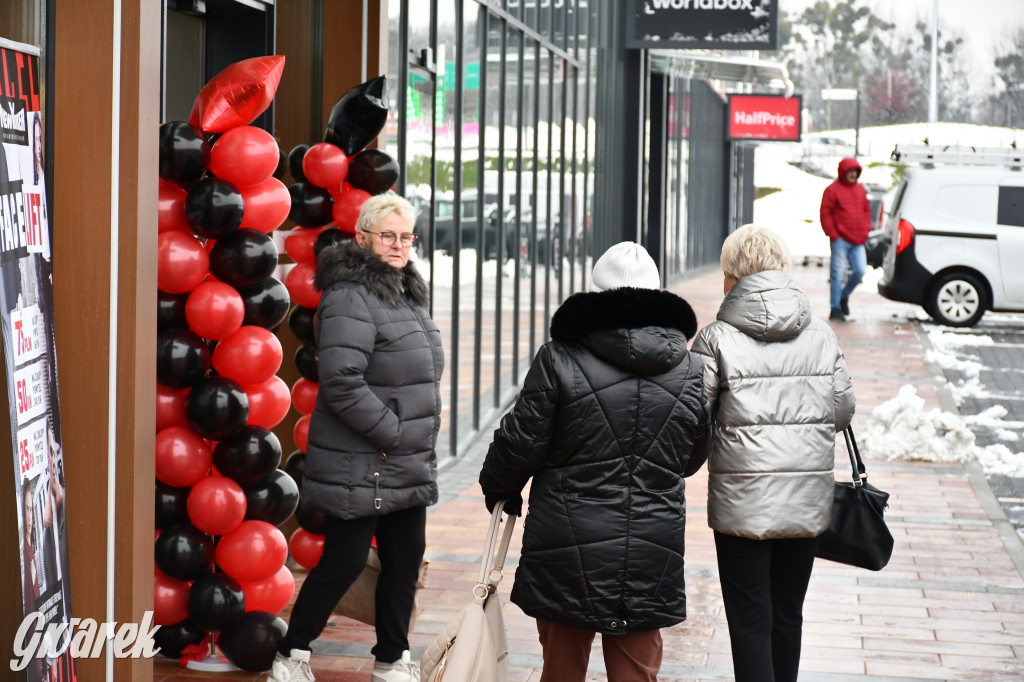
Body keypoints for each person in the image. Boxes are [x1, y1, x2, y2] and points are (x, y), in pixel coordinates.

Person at [479, 241, 710, 682]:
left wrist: (500, 488)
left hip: (566, 539)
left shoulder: (559, 358)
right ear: (658, 295)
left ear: (594, 293)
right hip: (650, 542)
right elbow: (690, 458)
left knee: (562, 668)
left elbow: (521, 441)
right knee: (637, 672)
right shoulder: (691, 368)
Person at [271, 194, 444, 682]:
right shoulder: (350, 293)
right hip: (365, 457)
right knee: (344, 562)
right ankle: (292, 653)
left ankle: (392, 660)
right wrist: (393, 431)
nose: (398, 245)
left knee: (403, 562)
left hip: (404, 455)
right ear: (362, 238)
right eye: (387, 234)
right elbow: (343, 382)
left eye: (406, 236)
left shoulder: (405, 291)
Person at [690, 224, 856, 682]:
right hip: (805, 501)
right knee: (787, 616)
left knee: (749, 623)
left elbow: (693, 423)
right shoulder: (821, 335)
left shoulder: (715, 339)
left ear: (733, 276)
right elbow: (841, 412)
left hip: (742, 508)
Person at [819, 157, 871, 321]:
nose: (853, 174)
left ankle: (843, 296)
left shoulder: (861, 190)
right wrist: (833, 234)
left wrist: (865, 230)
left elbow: (866, 211)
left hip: (858, 240)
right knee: (837, 274)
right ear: (843, 172)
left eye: (855, 171)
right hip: (840, 239)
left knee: (860, 271)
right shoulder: (832, 190)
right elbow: (825, 213)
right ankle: (835, 308)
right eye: (850, 171)